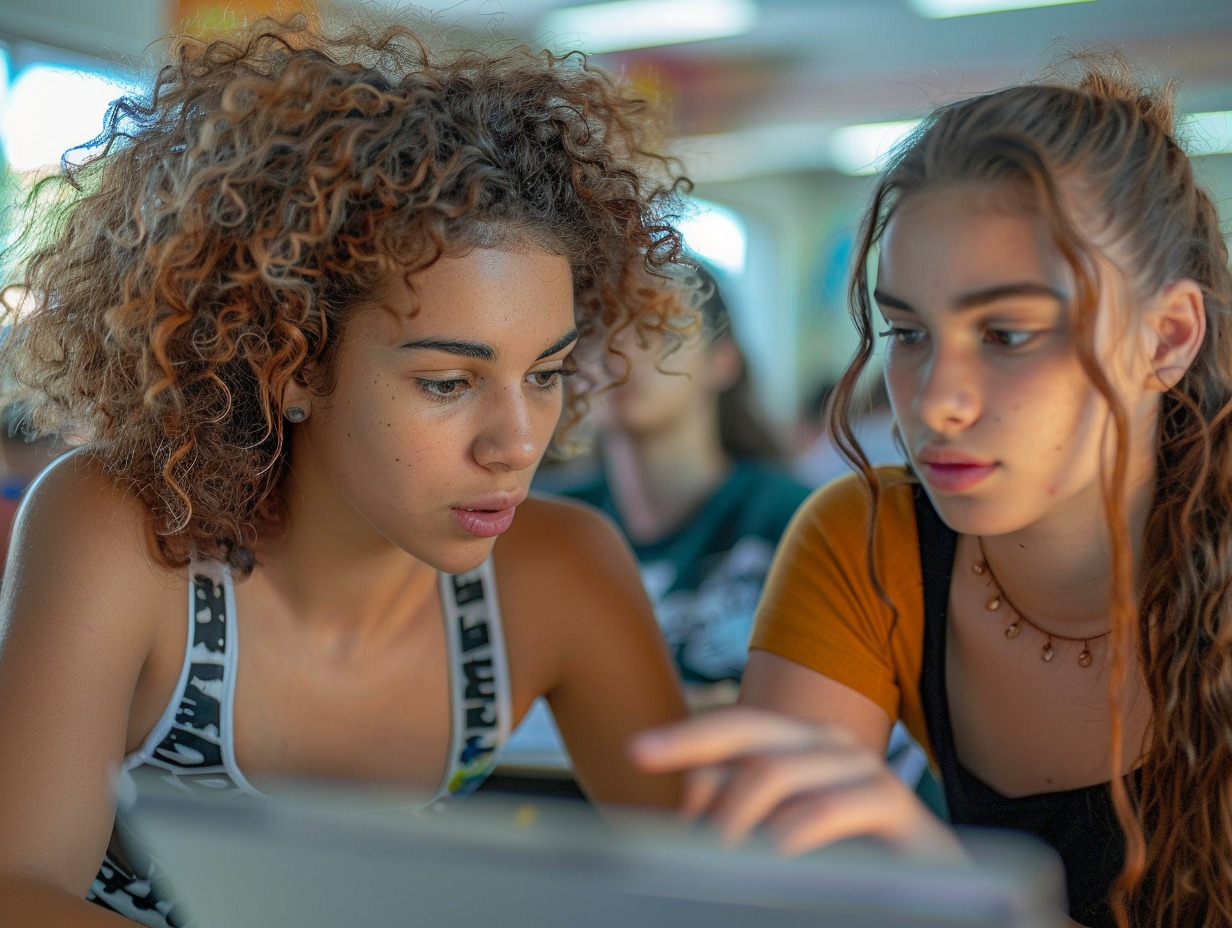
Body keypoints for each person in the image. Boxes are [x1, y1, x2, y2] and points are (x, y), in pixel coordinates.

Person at [0, 15, 694, 927]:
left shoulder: (563, 574)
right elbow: (17, 889)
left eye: (546, 374)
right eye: (448, 382)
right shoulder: (120, 527)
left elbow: (718, 881)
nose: (517, 443)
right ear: (289, 360)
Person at [632, 51, 1232, 928]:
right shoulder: (867, 537)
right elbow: (766, 894)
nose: (936, 402)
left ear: (1168, 337)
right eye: (908, 331)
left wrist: (953, 889)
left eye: (1007, 333)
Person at [556, 263, 812, 708]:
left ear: (723, 361)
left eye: (657, 329)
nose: (619, 352)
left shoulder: (797, 520)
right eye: (592, 330)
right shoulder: (545, 524)